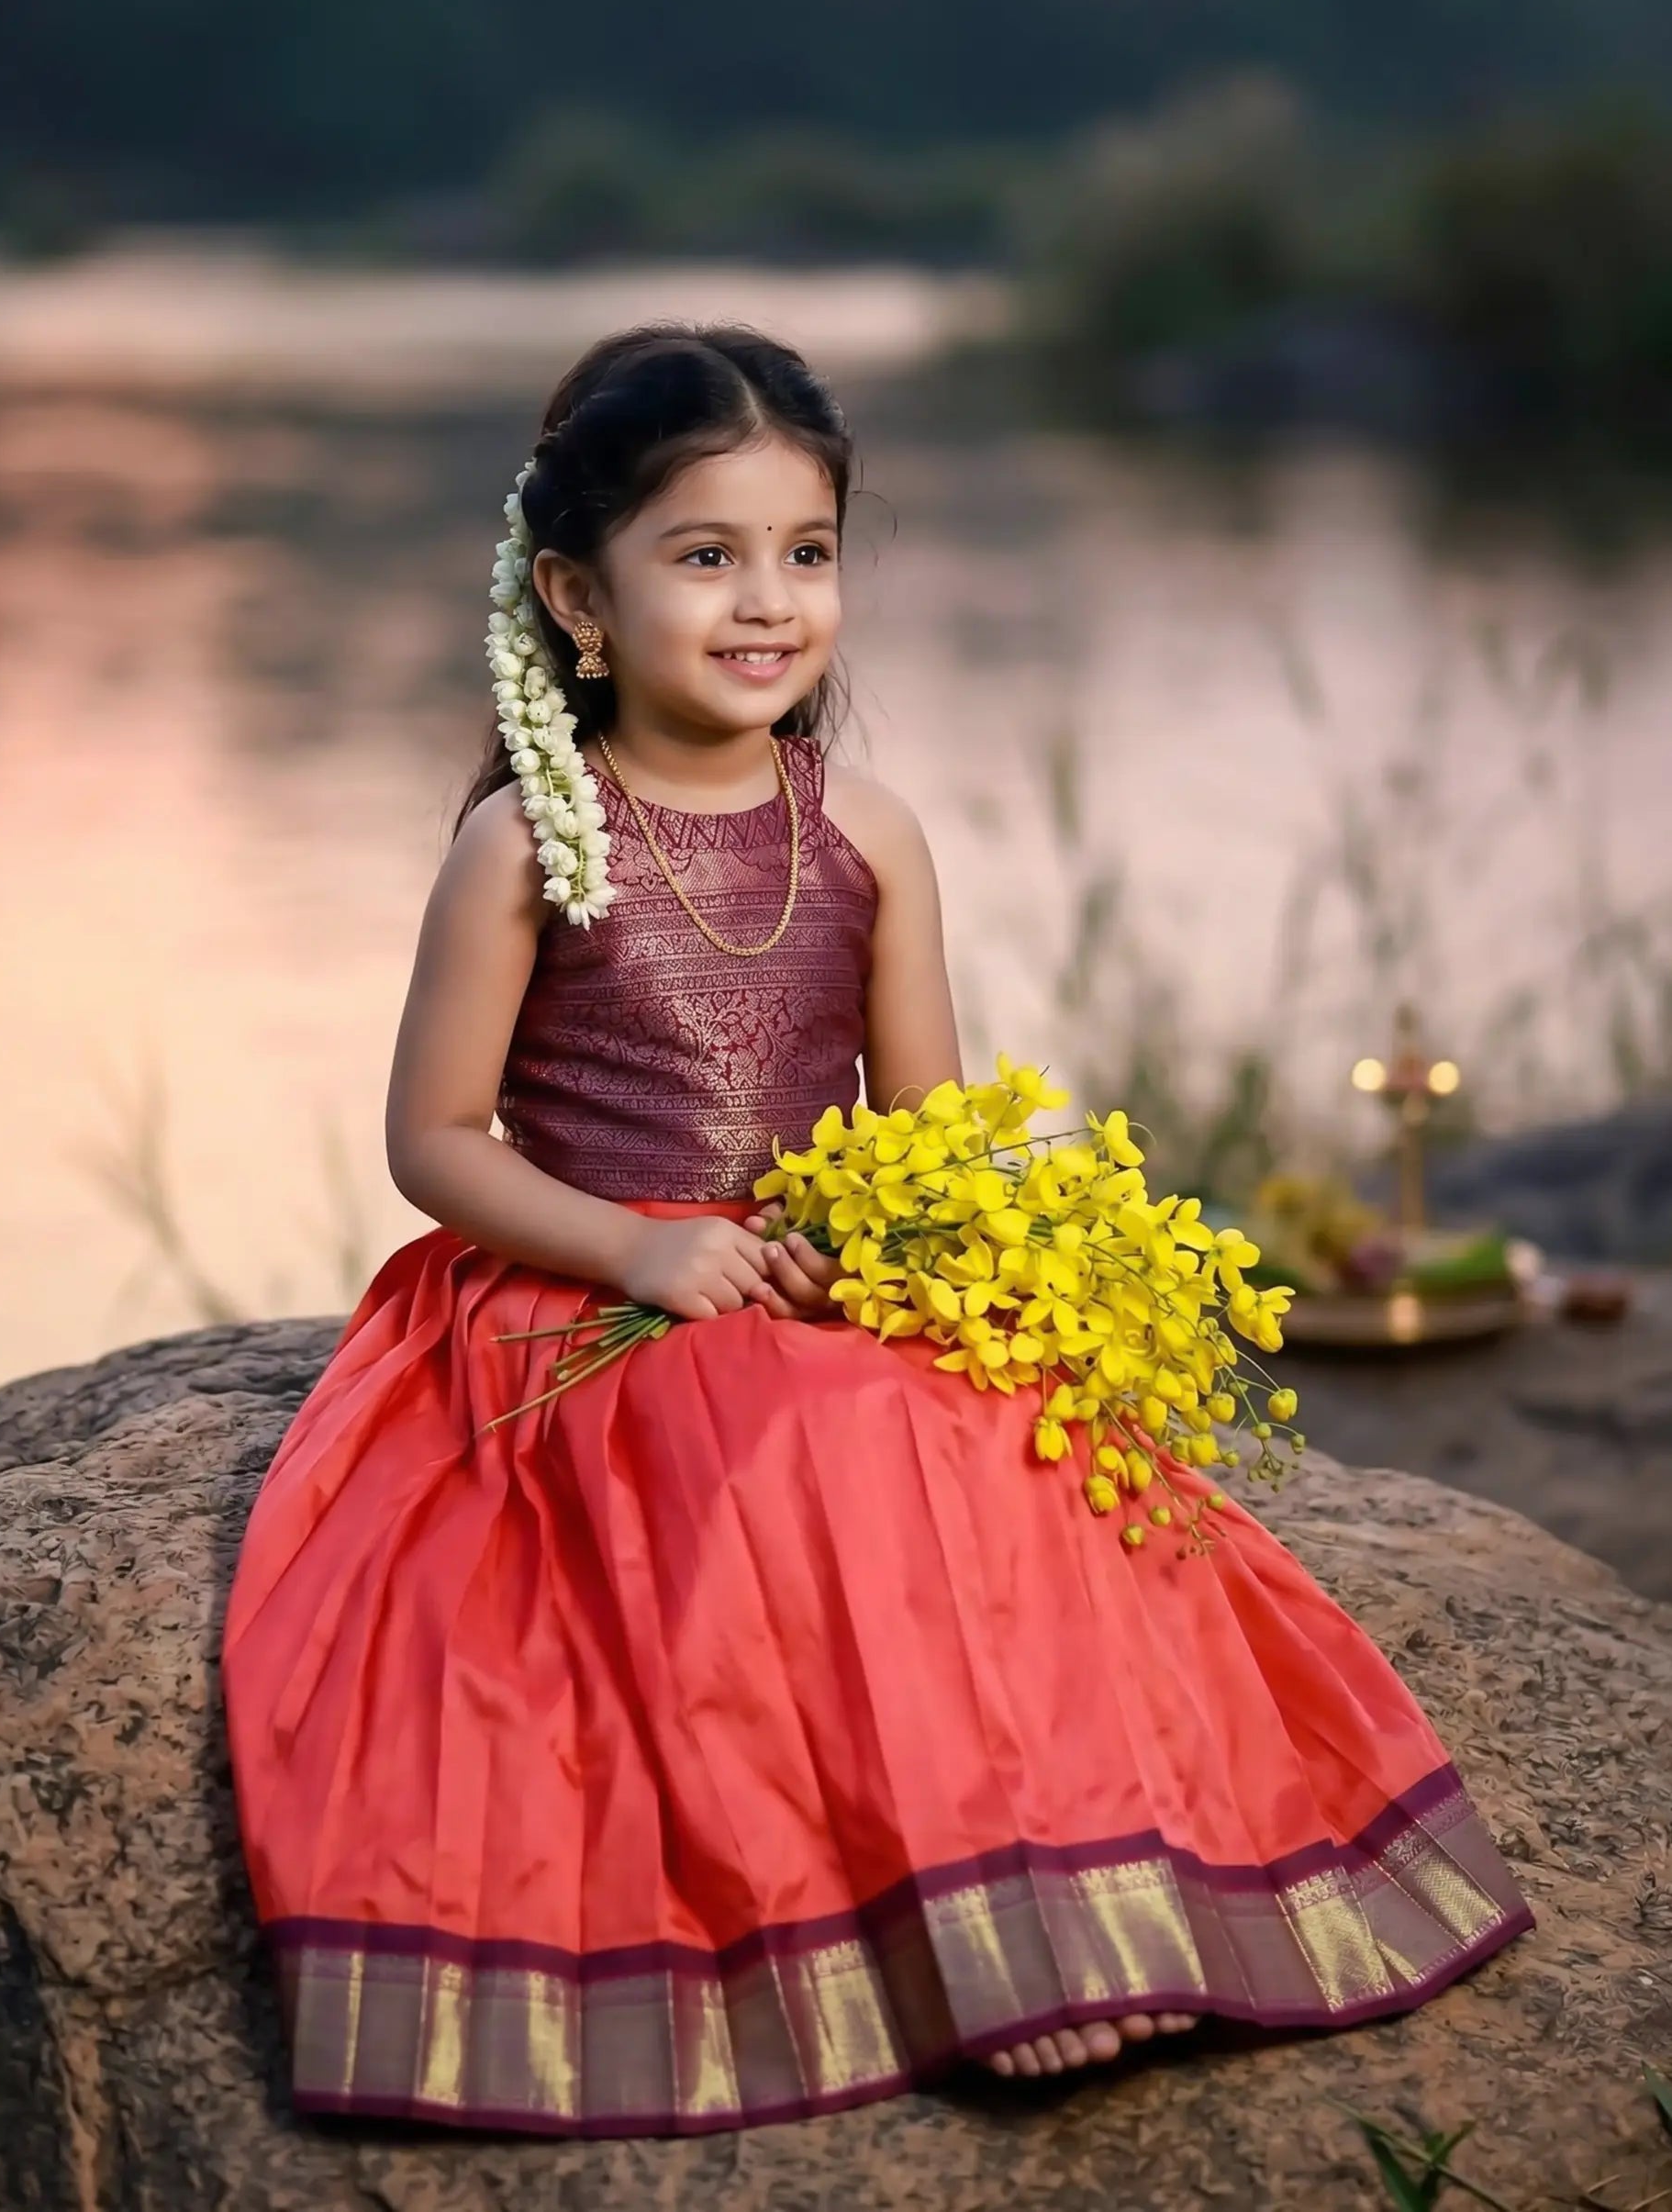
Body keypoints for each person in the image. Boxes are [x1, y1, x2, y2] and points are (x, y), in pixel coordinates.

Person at [219, 321, 1533, 2138]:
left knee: (1007, 1457)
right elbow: (431, 1140)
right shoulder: (529, 844)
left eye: (805, 551)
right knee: (802, 1457)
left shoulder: (869, 834)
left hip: (824, 1274)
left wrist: (917, 1259)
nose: (766, 601)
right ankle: (948, 1942)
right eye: (705, 555)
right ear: (577, 598)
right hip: (599, 1289)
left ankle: (1075, 1901)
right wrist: (636, 1250)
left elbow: (930, 1128)